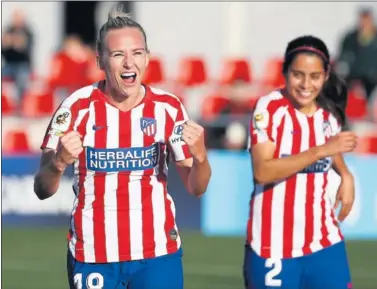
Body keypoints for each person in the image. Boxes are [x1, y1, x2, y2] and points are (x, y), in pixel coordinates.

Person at [33, 4, 211, 289]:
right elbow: (42, 189)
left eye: (137, 53)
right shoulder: (75, 108)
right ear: (100, 61)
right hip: (93, 255)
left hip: (157, 254)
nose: (129, 63)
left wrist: (201, 158)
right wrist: (58, 163)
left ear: (148, 58)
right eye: (118, 55)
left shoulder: (169, 108)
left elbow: (197, 187)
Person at [243, 35, 358, 289]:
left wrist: (345, 174)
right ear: (285, 72)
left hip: (323, 242)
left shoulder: (329, 115)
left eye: (314, 76)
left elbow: (332, 148)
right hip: (272, 247)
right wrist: (320, 151)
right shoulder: (269, 109)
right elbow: (263, 171)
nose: (306, 84)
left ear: (325, 76)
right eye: (298, 74)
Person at [336, 7, 377, 110]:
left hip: (373, 79)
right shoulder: (350, 38)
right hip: (355, 78)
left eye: (367, 19)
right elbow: (343, 56)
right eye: (362, 19)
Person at [1, 8, 33, 107]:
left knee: (22, 80)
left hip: (22, 65)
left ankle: (20, 105)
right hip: (9, 64)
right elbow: (4, 47)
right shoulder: (8, 30)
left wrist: (13, 42)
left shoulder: (28, 31)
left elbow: (24, 48)